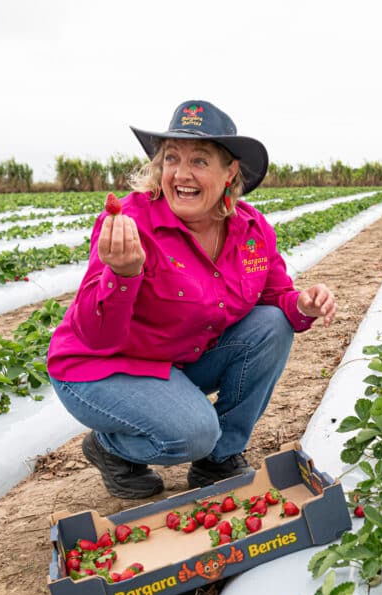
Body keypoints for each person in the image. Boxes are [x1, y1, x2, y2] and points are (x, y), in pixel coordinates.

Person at [47, 99, 336, 499]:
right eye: (171, 159)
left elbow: (276, 297)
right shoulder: (130, 224)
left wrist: (301, 305)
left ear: (229, 171)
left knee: (272, 323)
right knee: (194, 432)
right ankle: (111, 448)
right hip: (102, 368)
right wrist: (124, 274)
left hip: (173, 360)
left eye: (199, 161)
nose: (181, 173)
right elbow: (97, 337)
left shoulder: (251, 229)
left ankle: (220, 458)